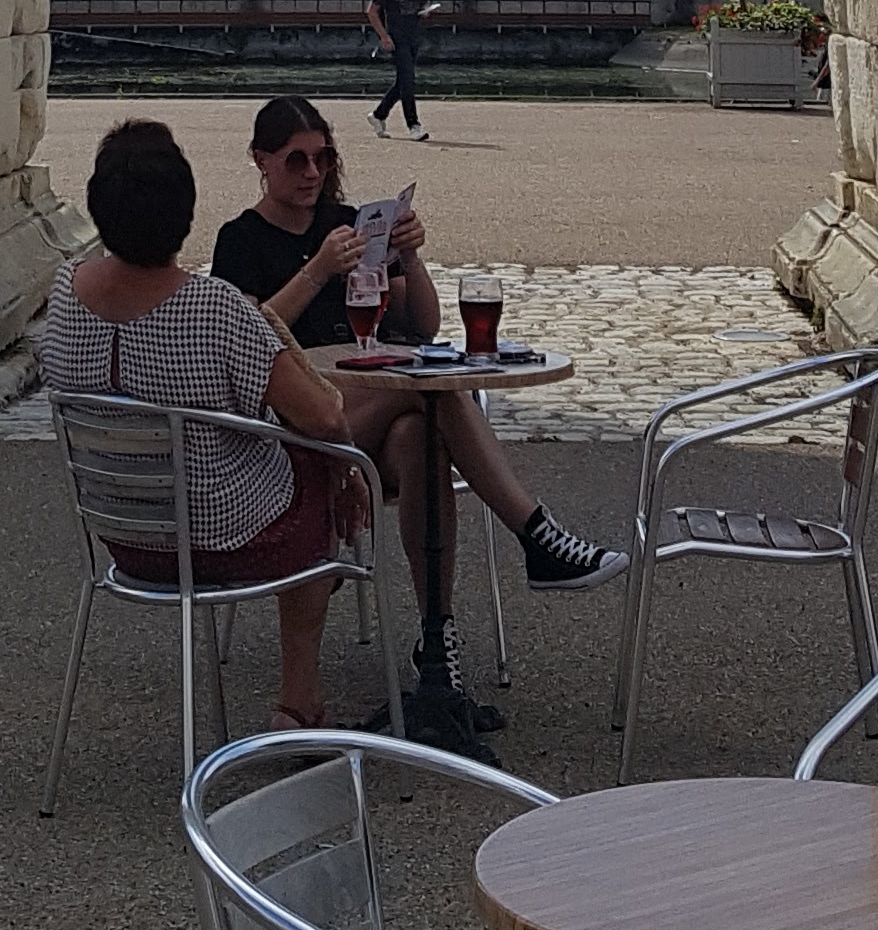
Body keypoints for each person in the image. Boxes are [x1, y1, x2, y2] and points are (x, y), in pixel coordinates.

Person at [207, 96, 625, 594]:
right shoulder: (241, 239)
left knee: (419, 439)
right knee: (432, 388)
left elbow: (422, 326)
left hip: (367, 415)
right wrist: (317, 271)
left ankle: (436, 628)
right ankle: (536, 534)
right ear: (261, 160)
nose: (312, 172)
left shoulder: (350, 223)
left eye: (323, 158)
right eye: (296, 160)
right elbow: (246, 339)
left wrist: (410, 258)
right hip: (297, 427)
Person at [38, 118, 368, 730]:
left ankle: (300, 702)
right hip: (220, 537)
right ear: (184, 210)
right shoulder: (213, 307)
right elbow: (322, 416)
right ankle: (299, 700)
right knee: (315, 470)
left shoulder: (65, 290)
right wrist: (348, 471)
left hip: (123, 534)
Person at [366, 0, 443, 138]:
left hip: (414, 34)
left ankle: (378, 115)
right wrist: (384, 36)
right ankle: (413, 125)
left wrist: (425, 11)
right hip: (396, 36)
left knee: (403, 81)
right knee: (408, 80)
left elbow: (423, 3)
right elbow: (372, 11)